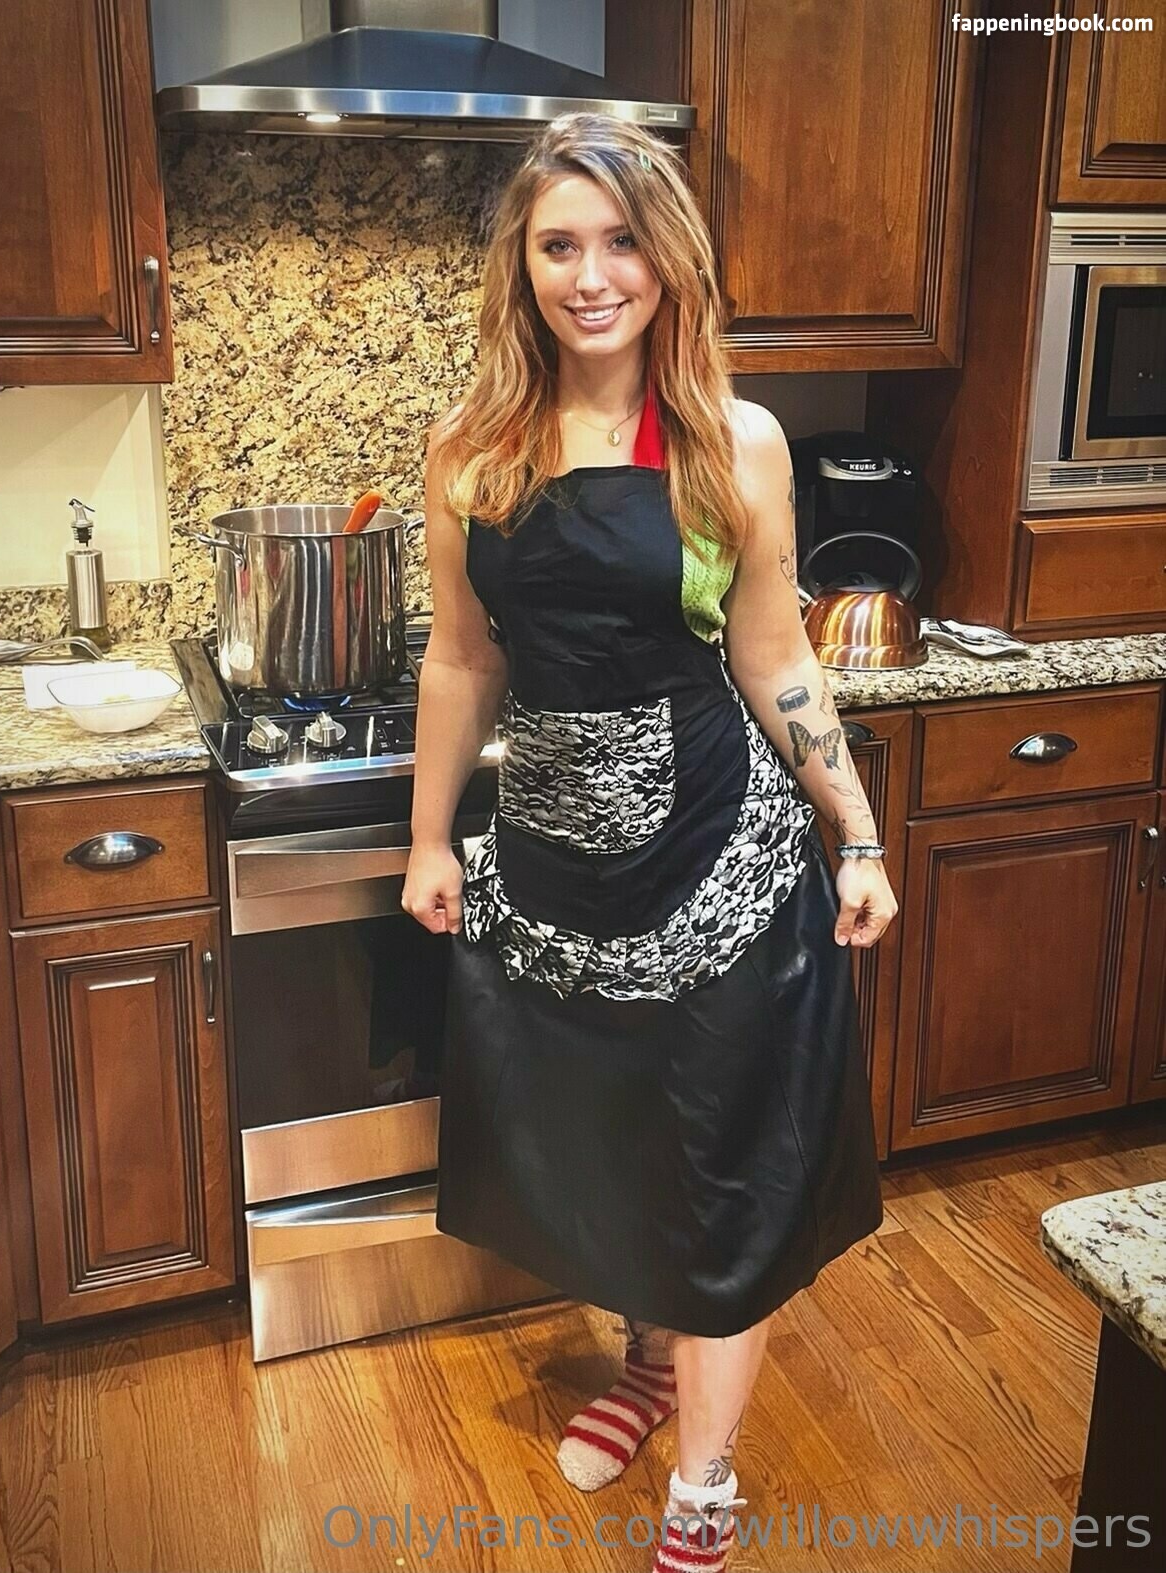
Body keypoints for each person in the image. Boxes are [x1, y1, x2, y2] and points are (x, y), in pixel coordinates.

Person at [403, 111, 897, 1572]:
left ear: (669, 259)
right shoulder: (471, 445)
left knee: (721, 1171)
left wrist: (858, 833)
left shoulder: (732, 441)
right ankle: (649, 1367)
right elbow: (461, 657)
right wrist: (431, 840)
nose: (590, 275)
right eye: (559, 245)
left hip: (718, 867)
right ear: (522, 265)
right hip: (554, 876)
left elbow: (775, 652)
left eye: (621, 241)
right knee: (608, 1145)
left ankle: (705, 1486)